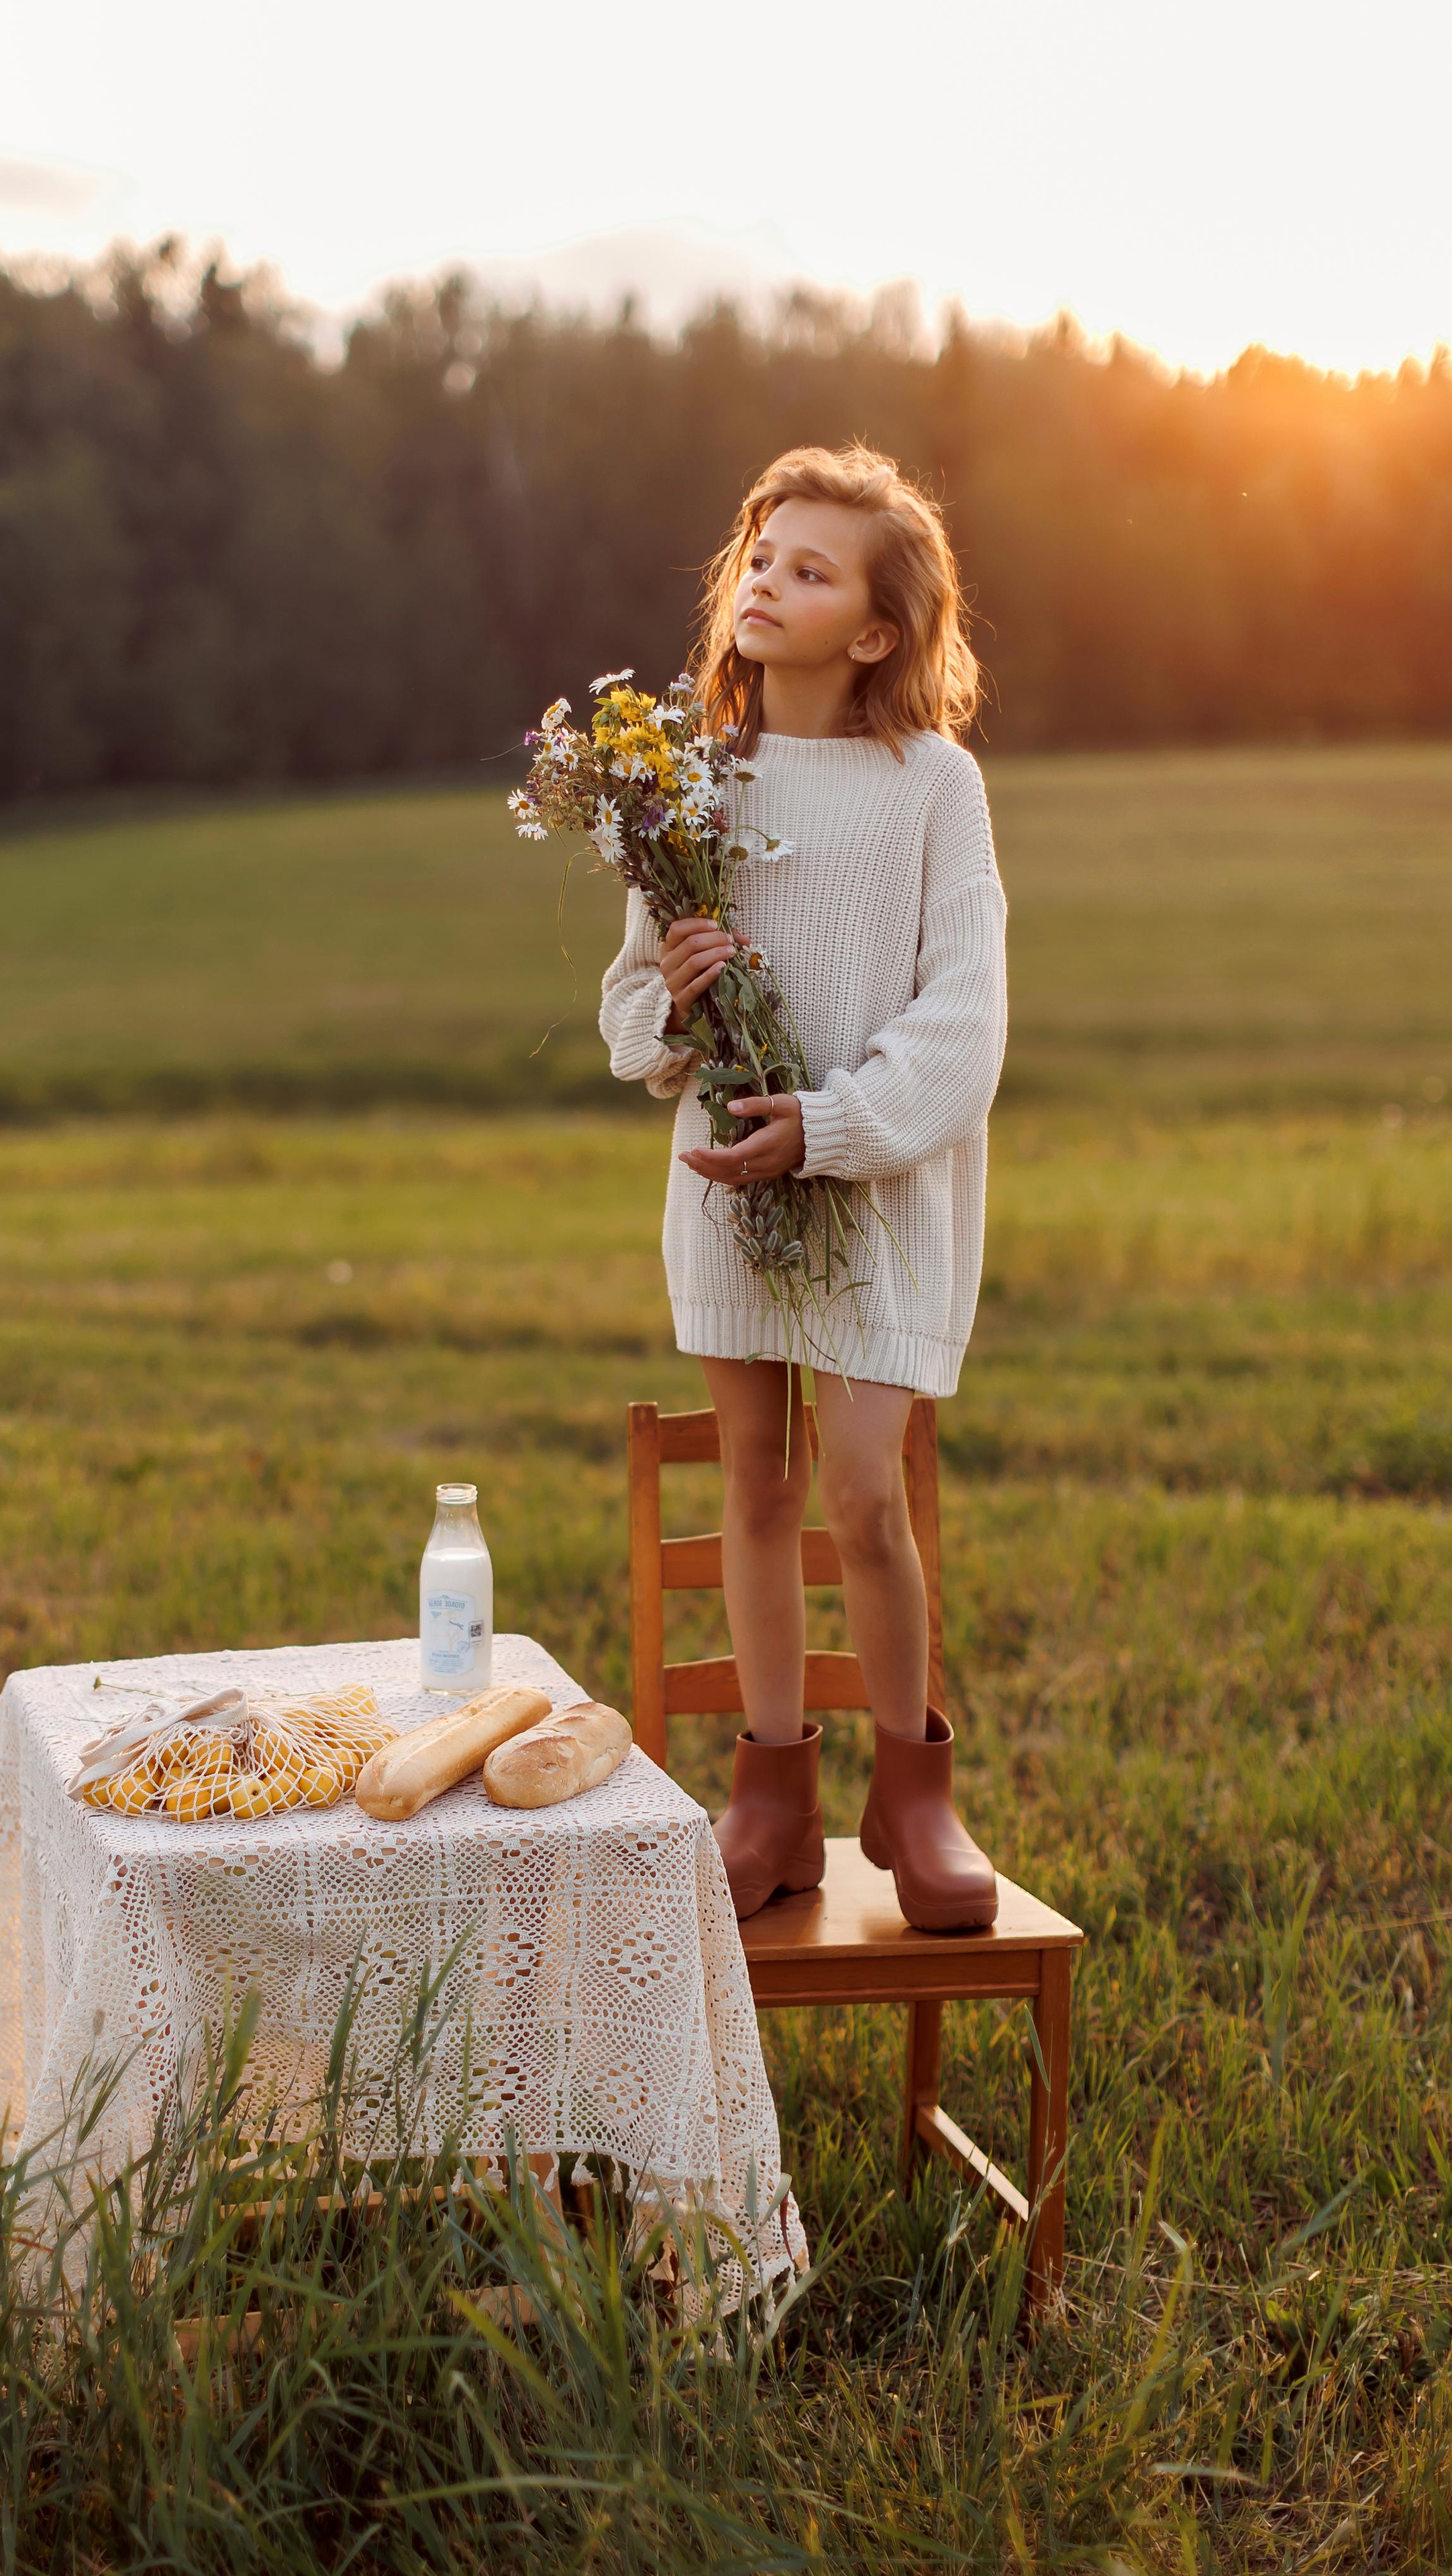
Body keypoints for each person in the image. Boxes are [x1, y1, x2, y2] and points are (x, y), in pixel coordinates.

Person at [598, 441, 1006, 1931]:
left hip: (872, 1194)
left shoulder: (931, 788)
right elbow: (628, 1021)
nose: (769, 582)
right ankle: (770, 1801)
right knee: (754, 1490)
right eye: (761, 558)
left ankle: (915, 1801)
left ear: (879, 630)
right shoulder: (689, 783)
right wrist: (676, 987)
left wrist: (824, 1129)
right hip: (721, 1183)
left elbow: (962, 1025)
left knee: (863, 1497)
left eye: (811, 570)